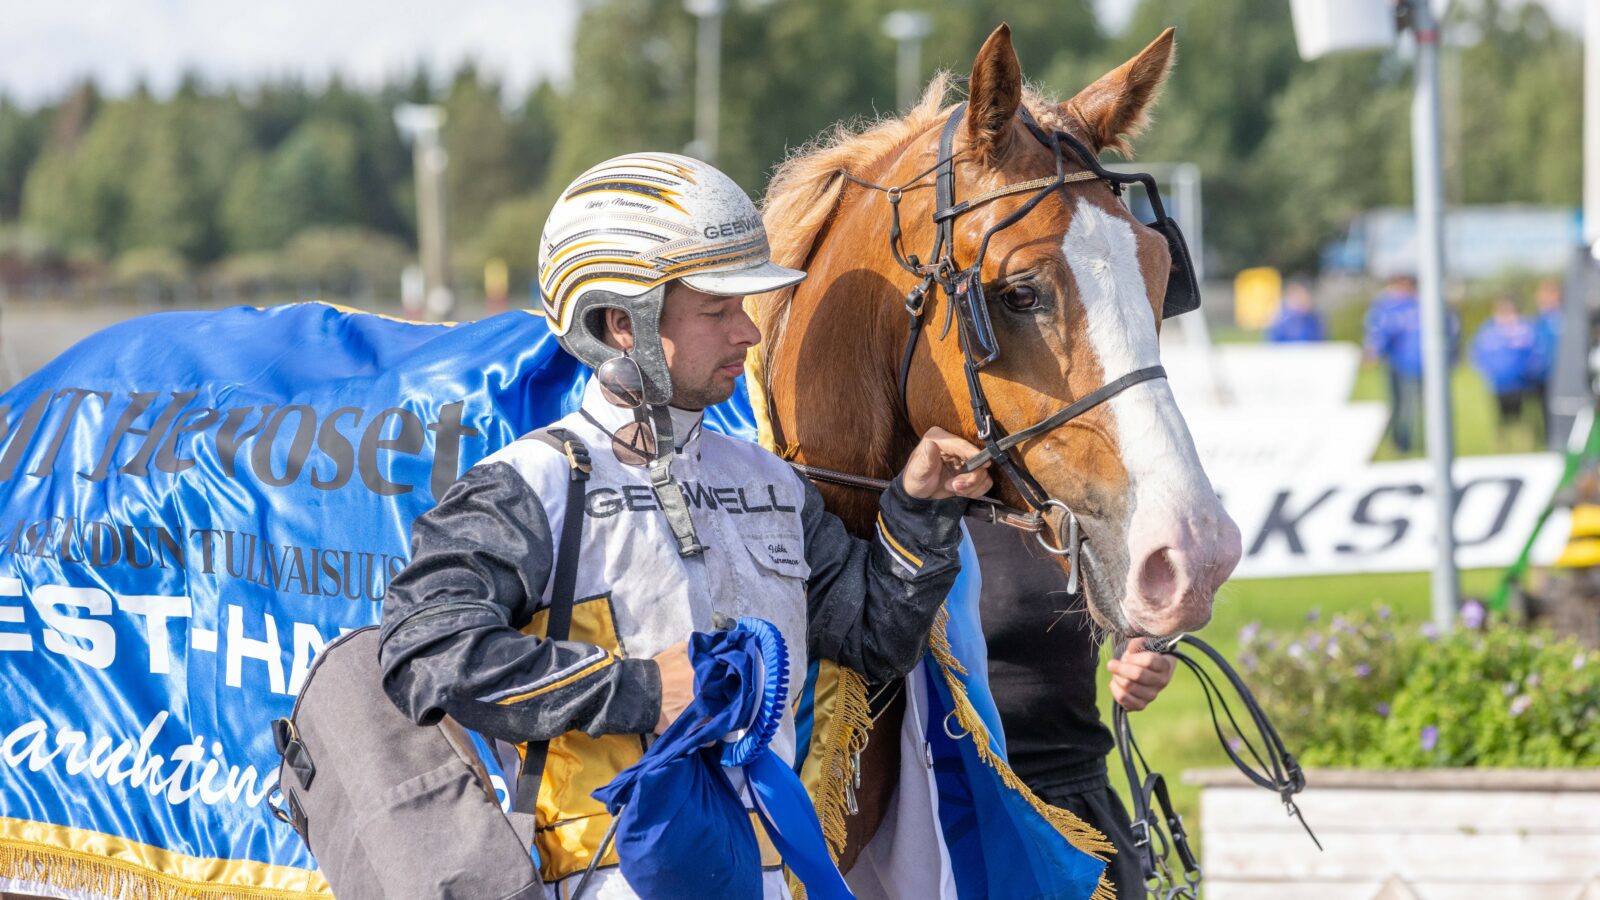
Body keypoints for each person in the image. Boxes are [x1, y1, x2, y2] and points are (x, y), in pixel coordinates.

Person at [378, 152, 993, 899]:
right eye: (718, 311)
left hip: (770, 877)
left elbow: (874, 639)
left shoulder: (771, 483)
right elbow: (426, 651)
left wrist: (921, 508)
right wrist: (643, 689)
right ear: (621, 323)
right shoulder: (525, 485)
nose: (749, 333)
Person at [977, 522, 1175, 896]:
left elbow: (1141, 614)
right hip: (947, 809)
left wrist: (1149, 649)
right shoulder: (901, 491)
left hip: (1073, 807)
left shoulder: (1067, 498)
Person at [1363, 275, 1458, 454]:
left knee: (1424, 405)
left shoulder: (1425, 303)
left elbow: (1450, 328)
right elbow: (1380, 330)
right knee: (1401, 405)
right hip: (1400, 363)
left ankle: (1425, 442)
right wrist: (1374, 350)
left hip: (1424, 363)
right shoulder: (1387, 305)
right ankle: (1400, 442)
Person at [1471, 295, 1539, 443]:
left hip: (1521, 383)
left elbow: (1535, 352)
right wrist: (1486, 373)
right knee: (1500, 417)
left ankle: (1525, 442)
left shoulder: (1525, 328)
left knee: (1522, 415)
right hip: (1497, 383)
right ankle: (1502, 443)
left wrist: (1528, 370)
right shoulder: (1488, 330)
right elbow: (1477, 354)